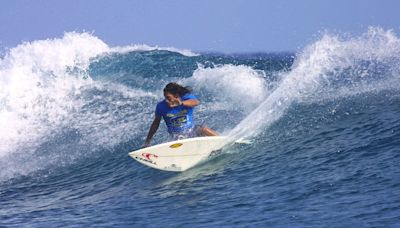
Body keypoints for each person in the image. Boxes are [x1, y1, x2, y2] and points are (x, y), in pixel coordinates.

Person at [144, 82, 218, 147]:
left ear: (176, 96)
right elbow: (156, 123)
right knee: (179, 139)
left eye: (168, 98)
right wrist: (148, 140)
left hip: (192, 131)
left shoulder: (186, 98)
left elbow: (196, 102)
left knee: (203, 129)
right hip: (177, 137)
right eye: (165, 98)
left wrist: (181, 103)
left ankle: (222, 141)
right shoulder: (161, 106)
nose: (166, 101)